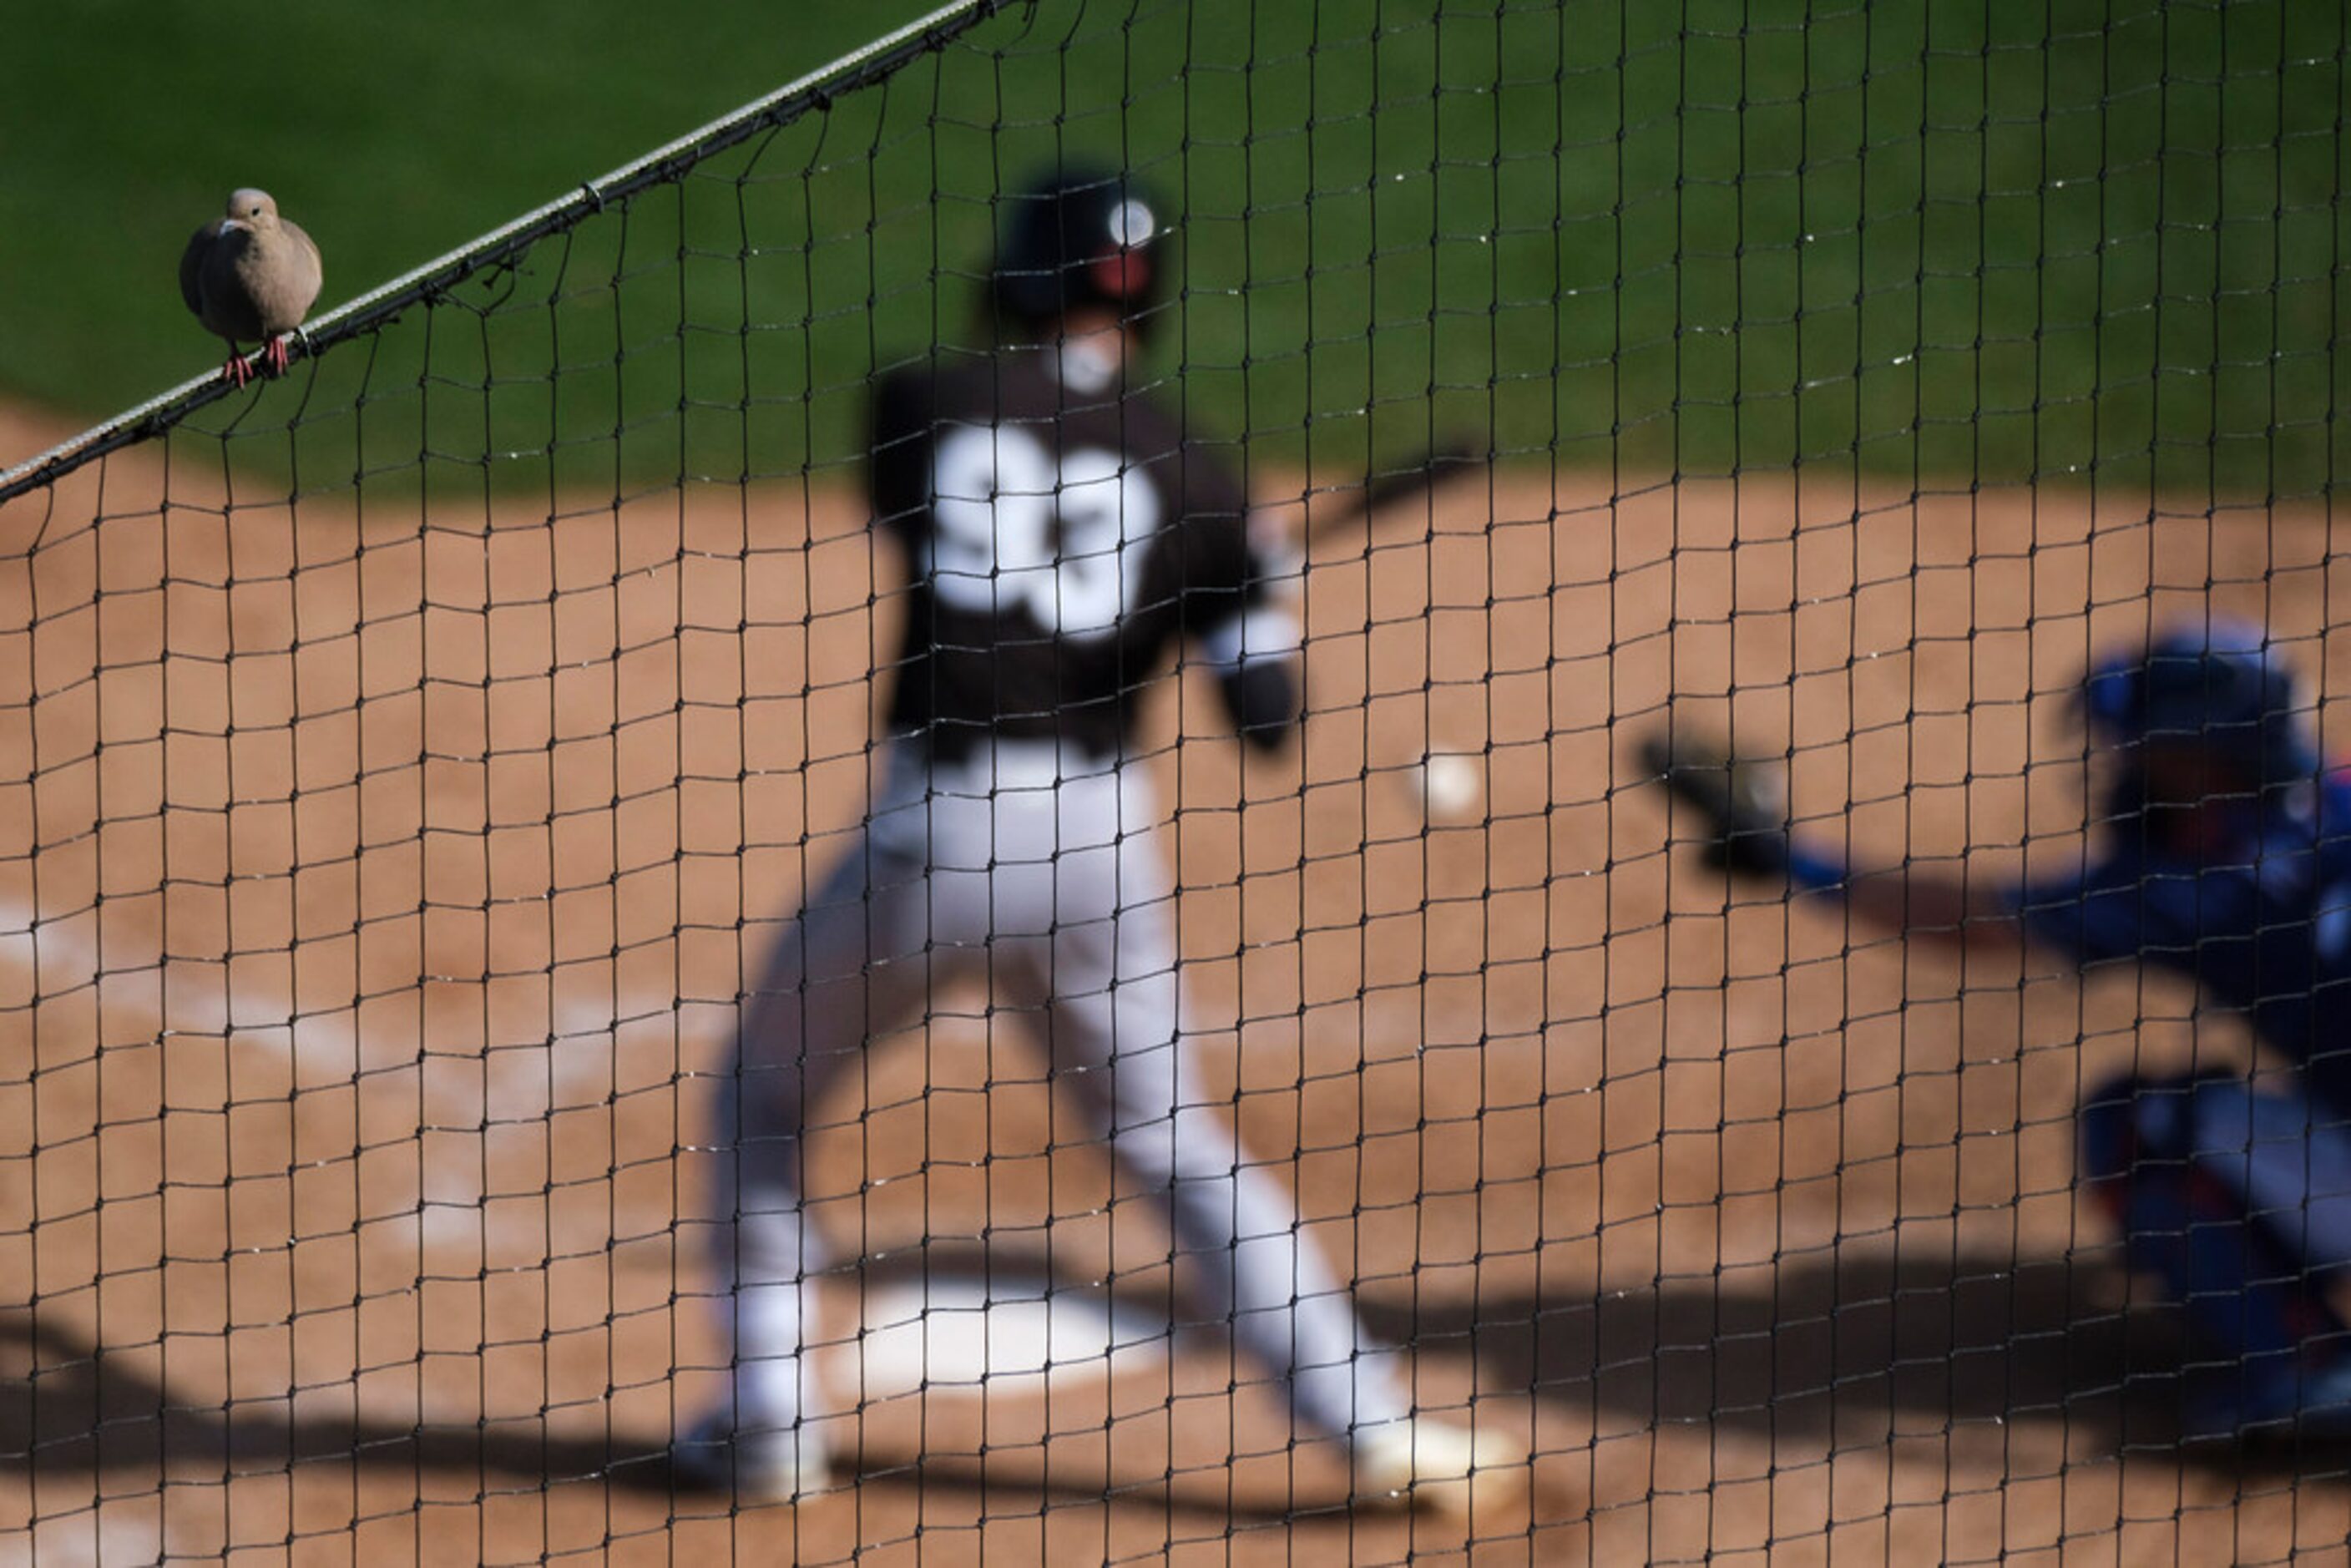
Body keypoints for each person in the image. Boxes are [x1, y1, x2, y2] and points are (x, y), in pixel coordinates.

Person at [677, 166, 1523, 1508]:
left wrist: (1221, 565)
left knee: (761, 1097)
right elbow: (1267, 722)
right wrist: (1248, 582)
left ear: (1024, 272)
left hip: (936, 833)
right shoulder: (1198, 473)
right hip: (1095, 851)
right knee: (1174, 1138)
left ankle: (771, 1417)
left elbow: (952, 538)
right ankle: (1369, 1421)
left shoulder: (925, 402)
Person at [1641, 616, 2351, 1440]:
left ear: (2203, 757)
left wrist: (1788, 859)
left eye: (2143, 749)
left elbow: (1972, 920)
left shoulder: (2199, 883)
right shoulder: (2333, 800)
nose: (2124, 766)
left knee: (2147, 1125)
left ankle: (2305, 1368)